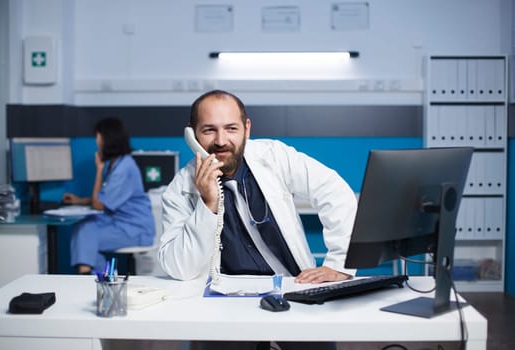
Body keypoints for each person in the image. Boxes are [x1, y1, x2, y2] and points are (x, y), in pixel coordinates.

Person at [158, 90, 358, 350]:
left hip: (292, 288)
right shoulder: (179, 189)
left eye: (231, 128)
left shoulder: (274, 156)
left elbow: (334, 191)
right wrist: (208, 204)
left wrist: (339, 264)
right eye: (209, 130)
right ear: (192, 135)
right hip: (223, 305)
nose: (221, 140)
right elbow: (180, 268)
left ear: (246, 128)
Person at [63, 117, 155, 274]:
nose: (97, 143)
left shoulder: (124, 168)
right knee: (84, 228)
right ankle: (95, 274)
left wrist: (98, 170)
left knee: (85, 235)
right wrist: (79, 201)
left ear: (108, 140)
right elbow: (105, 198)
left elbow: (99, 204)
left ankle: (88, 273)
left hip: (135, 229)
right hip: (119, 223)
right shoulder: (115, 164)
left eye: (98, 138)